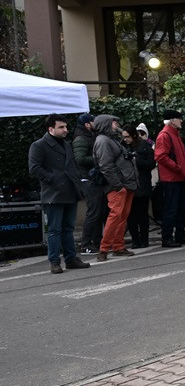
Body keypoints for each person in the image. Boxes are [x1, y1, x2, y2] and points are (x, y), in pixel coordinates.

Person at [28, 114, 89, 274]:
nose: (65, 130)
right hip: (53, 193)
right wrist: (53, 178)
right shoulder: (39, 145)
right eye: (61, 127)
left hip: (70, 191)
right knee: (54, 229)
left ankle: (71, 259)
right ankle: (54, 261)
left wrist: (79, 183)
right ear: (51, 129)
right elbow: (34, 168)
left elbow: (72, 166)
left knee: (68, 228)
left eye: (66, 126)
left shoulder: (67, 145)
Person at [92, 114, 138, 262]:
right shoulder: (103, 141)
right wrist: (118, 186)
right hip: (118, 185)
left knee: (121, 216)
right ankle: (104, 249)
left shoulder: (109, 139)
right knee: (116, 215)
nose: (116, 124)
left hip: (124, 184)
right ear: (106, 124)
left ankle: (118, 246)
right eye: (113, 122)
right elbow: (105, 166)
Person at [153, 109, 185, 247]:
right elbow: (160, 156)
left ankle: (179, 235)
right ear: (172, 120)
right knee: (171, 209)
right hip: (172, 179)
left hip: (178, 177)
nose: (181, 120)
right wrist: (178, 168)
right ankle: (167, 238)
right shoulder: (165, 135)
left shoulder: (173, 134)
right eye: (179, 118)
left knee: (180, 208)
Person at [73, 113, 106, 254]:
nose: (96, 124)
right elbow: (80, 159)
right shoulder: (81, 139)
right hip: (87, 179)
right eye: (93, 121)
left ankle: (97, 242)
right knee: (94, 212)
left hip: (93, 179)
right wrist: (98, 159)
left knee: (99, 211)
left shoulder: (89, 136)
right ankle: (86, 243)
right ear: (87, 124)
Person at [123, 124, 156, 249]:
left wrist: (136, 160)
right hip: (129, 185)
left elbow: (151, 163)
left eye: (127, 137)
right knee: (131, 216)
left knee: (142, 215)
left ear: (134, 135)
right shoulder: (123, 147)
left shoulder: (145, 146)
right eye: (124, 137)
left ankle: (144, 240)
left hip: (142, 185)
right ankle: (135, 240)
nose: (125, 139)